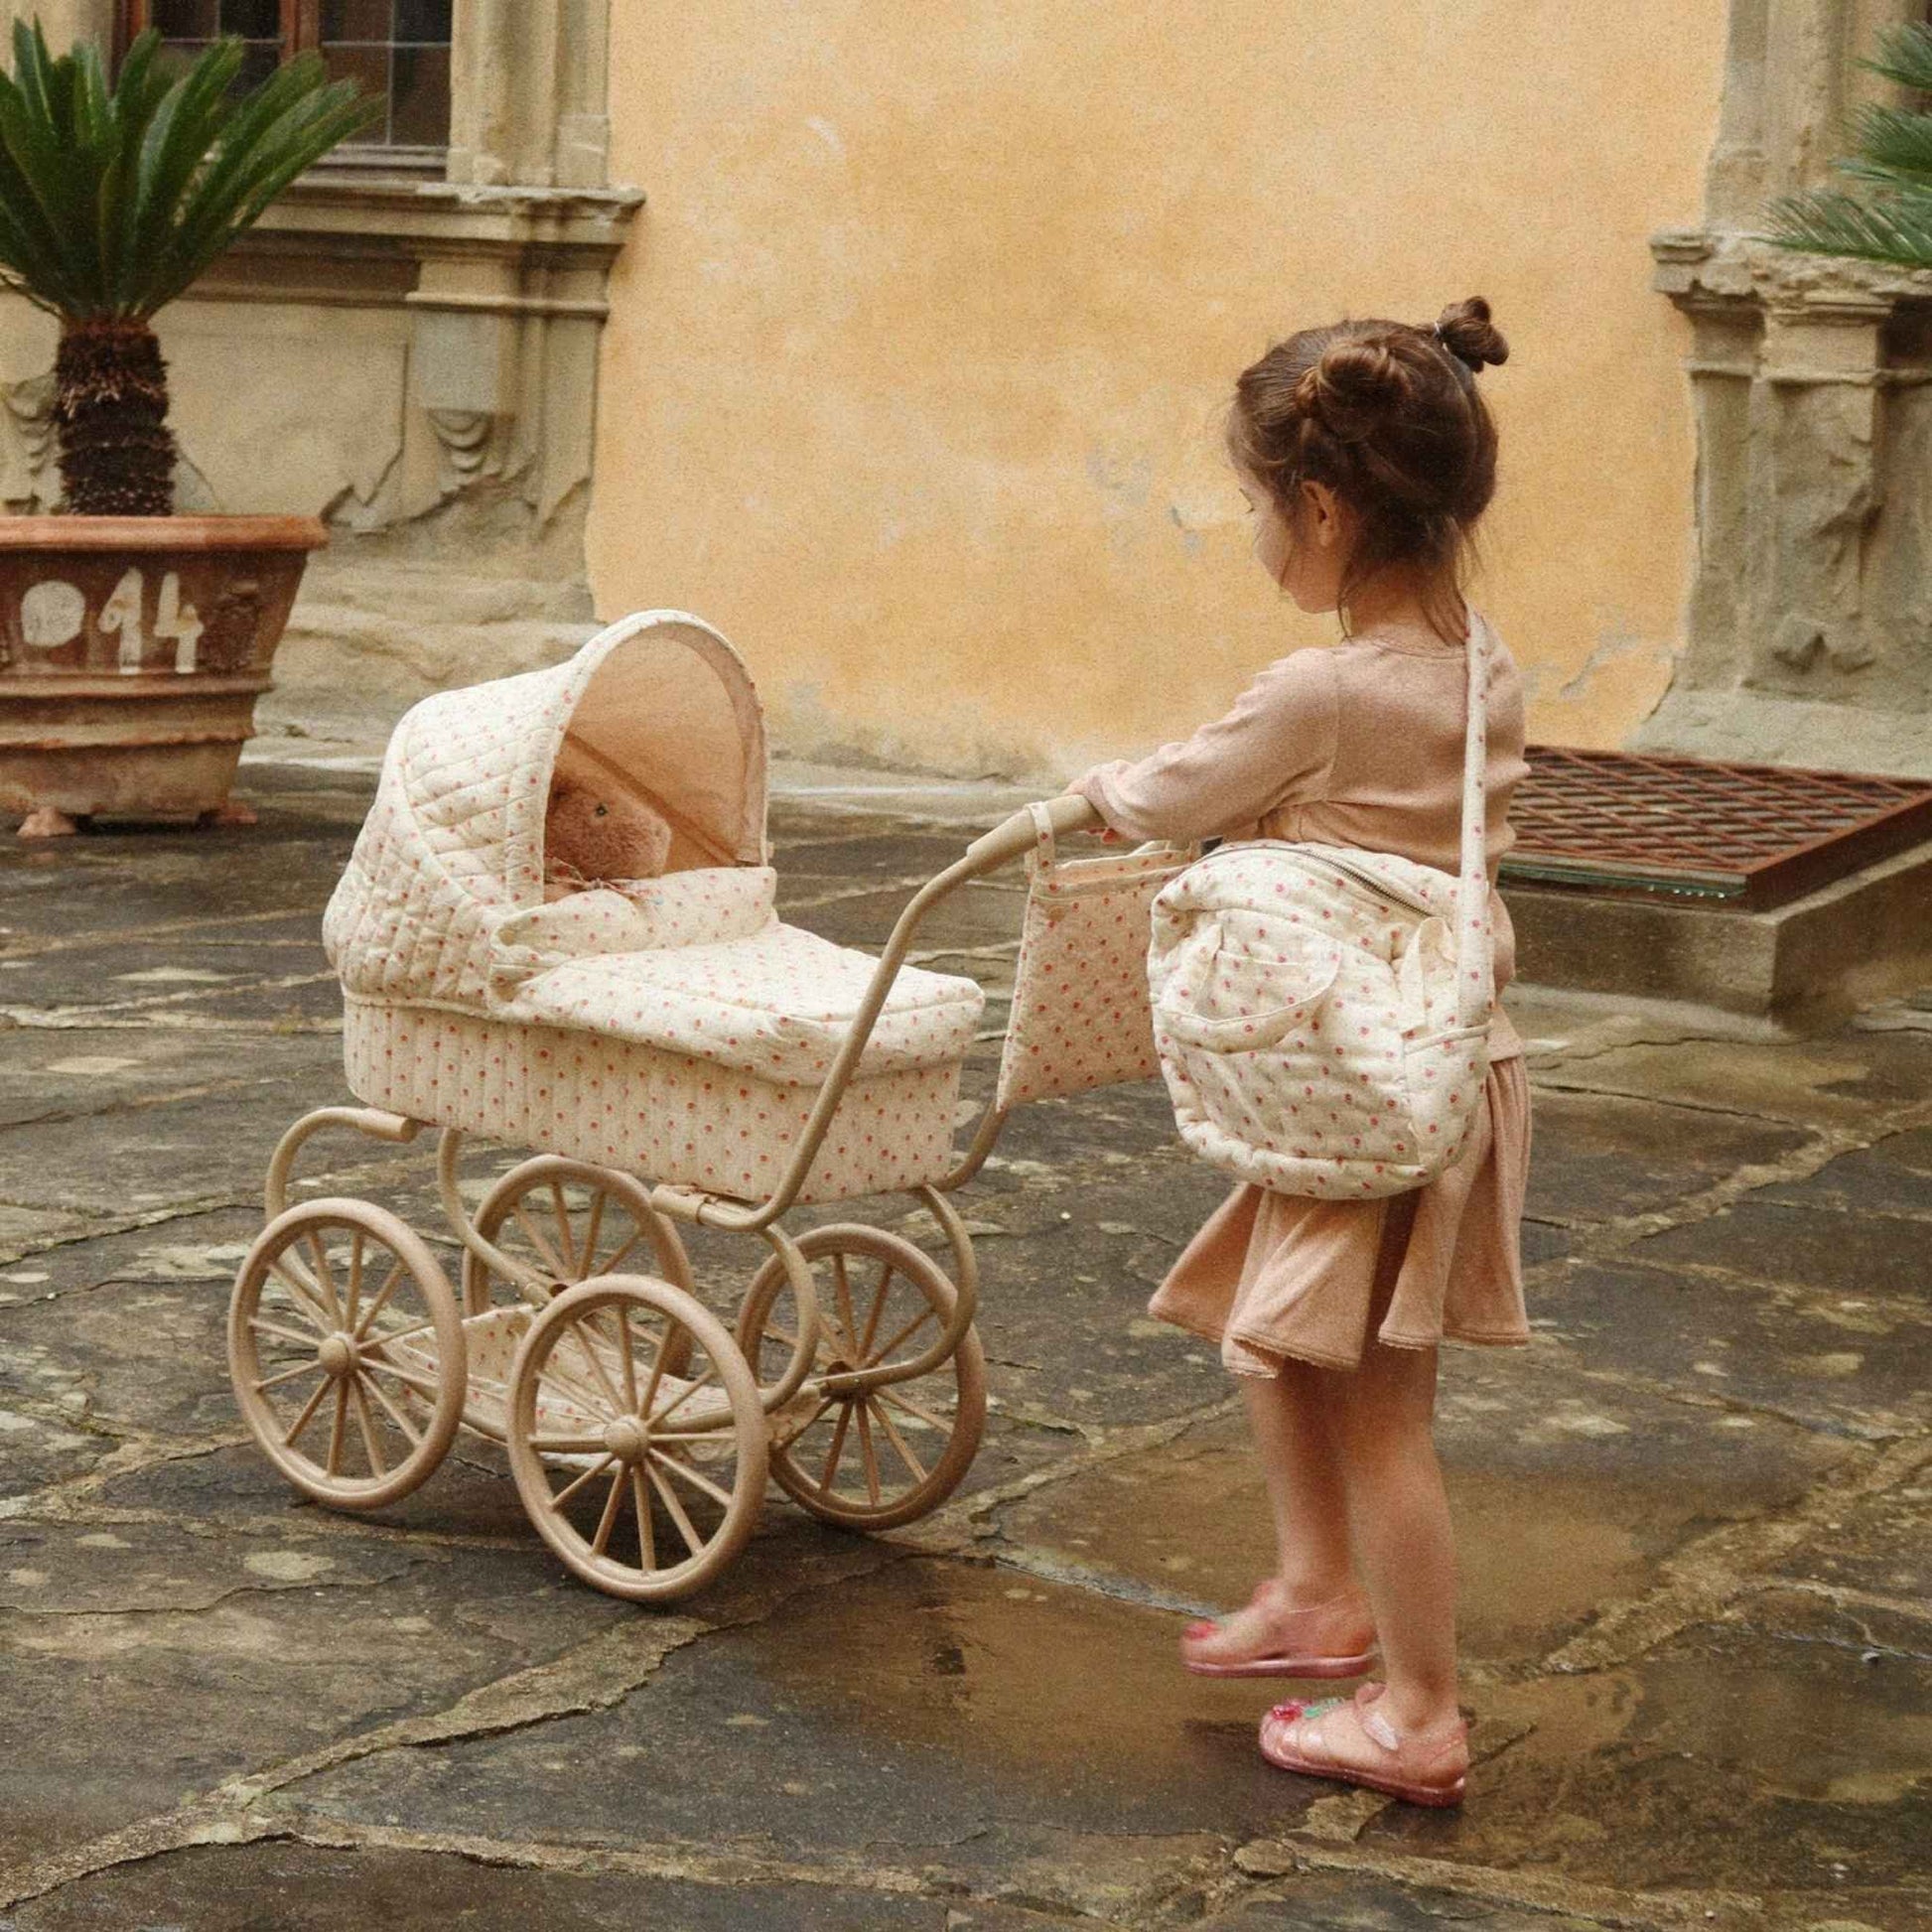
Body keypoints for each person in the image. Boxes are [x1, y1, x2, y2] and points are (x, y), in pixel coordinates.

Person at [1065, 298, 1531, 1809]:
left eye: (1260, 503)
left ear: (1321, 508)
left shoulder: (1321, 692)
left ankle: (1418, 1713)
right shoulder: (1483, 665)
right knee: (1270, 1333)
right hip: (1417, 1065)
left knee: (1383, 1413)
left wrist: (1093, 792)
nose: (1258, 534)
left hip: (1361, 1080)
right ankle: (1317, 1590)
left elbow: (1174, 793)